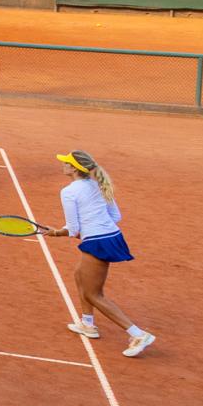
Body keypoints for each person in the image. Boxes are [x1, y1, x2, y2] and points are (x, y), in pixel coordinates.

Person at [51, 151, 155, 357]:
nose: (63, 165)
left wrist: (55, 232)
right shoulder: (97, 184)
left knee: (93, 293)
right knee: (80, 275)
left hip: (98, 241)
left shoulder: (69, 191)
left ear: (74, 168)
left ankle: (138, 334)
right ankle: (87, 324)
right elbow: (115, 216)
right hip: (110, 237)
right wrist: (95, 226)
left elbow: (72, 229)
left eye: (66, 163)